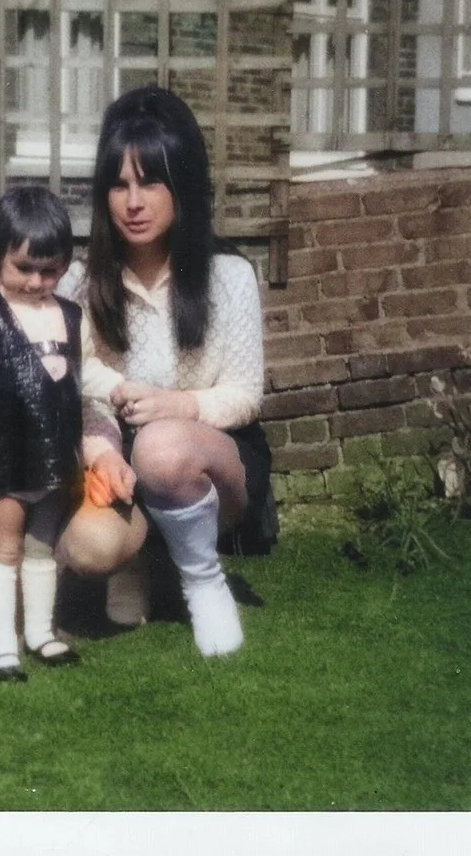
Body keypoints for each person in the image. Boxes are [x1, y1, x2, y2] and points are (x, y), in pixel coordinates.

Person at [55, 85, 274, 658]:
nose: (133, 202)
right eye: (119, 184)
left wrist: (178, 407)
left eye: (150, 181)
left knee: (162, 448)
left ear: (183, 185)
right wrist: (100, 452)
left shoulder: (228, 277)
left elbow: (247, 395)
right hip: (119, 459)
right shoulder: (78, 284)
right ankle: (138, 563)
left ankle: (203, 582)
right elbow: (75, 386)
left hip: (210, 463)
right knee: (87, 548)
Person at [0, 186, 128, 682]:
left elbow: (86, 374)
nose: (38, 280)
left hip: (55, 454)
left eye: (51, 269)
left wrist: (124, 388)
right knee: (4, 548)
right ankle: (2, 645)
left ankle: (40, 632)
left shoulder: (70, 315)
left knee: (41, 550)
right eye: (25, 268)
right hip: (3, 455)